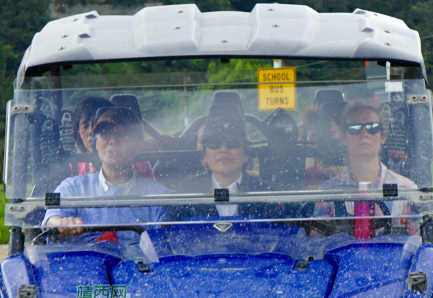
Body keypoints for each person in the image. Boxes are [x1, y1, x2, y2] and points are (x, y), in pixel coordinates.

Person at [321, 101, 433, 298]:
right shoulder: (327, 192)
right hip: (338, 288)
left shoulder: (405, 189)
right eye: (354, 128)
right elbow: (311, 248)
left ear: (383, 136)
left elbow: (432, 246)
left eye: (372, 127)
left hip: (391, 287)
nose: (364, 133)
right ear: (343, 137)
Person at [44, 106, 168, 244]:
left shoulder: (159, 197)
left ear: (139, 146)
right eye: (105, 133)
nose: (113, 141)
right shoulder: (72, 188)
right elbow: (51, 220)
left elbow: (164, 249)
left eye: (122, 135)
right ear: (96, 142)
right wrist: (61, 225)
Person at [168, 108, 277, 221]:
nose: (223, 149)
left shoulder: (265, 193)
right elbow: (172, 233)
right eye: (215, 143)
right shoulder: (187, 190)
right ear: (204, 155)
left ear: (246, 155)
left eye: (232, 143)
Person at [71, 96, 155, 181]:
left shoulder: (139, 163)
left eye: (104, 130)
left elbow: (149, 189)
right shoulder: (73, 167)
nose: (91, 131)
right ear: (77, 132)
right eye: (84, 126)